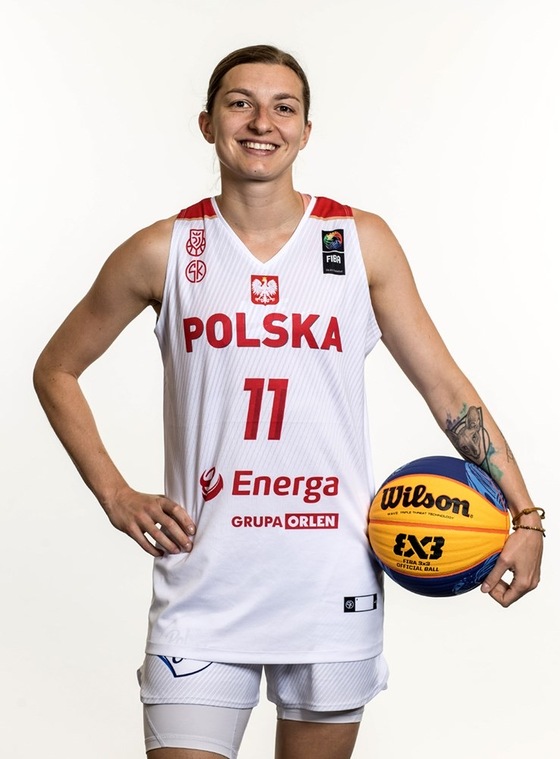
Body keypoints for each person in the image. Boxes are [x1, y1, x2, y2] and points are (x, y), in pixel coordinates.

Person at [33, 44, 543, 759]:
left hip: (330, 580)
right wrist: (114, 494)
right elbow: (56, 369)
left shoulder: (358, 241)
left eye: (283, 107)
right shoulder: (164, 251)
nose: (261, 122)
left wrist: (526, 516)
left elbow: (447, 390)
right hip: (203, 585)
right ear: (207, 123)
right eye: (240, 103)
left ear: (305, 130)